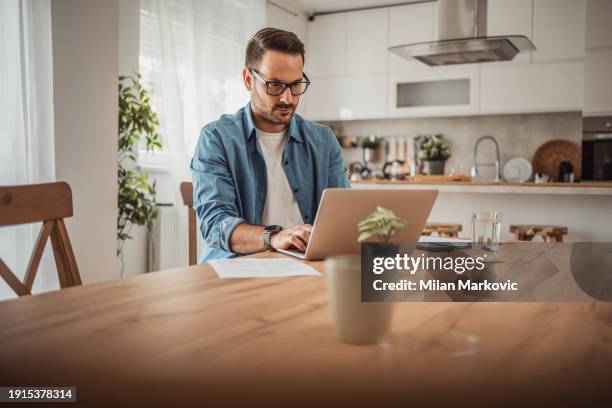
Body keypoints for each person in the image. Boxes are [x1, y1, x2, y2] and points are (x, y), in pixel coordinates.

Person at [190, 27, 350, 263]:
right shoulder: (217, 138)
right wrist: (274, 237)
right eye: (274, 85)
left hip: (306, 268)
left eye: (296, 85)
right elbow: (215, 224)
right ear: (248, 79)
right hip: (235, 269)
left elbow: (343, 215)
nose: (288, 98)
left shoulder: (323, 140)